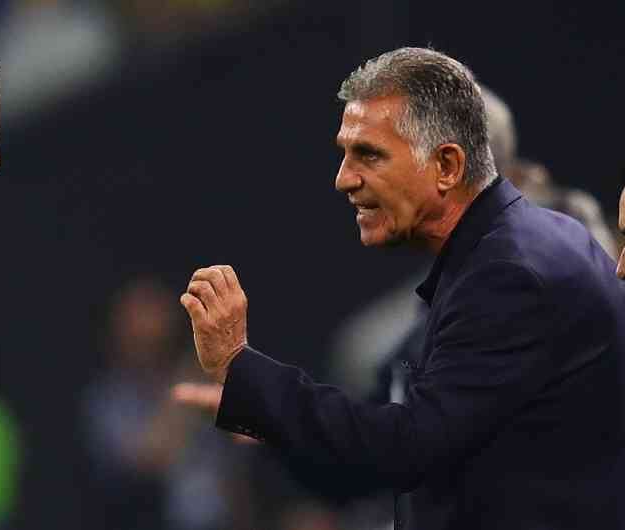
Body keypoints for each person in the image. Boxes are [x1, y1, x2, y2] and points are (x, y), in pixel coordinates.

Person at [175, 47, 625, 530]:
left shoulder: (510, 275)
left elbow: (408, 449)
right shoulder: (503, 254)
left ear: (447, 166)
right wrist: (262, 408)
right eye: (345, 153)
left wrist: (241, 368)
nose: (343, 179)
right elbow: (376, 448)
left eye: (369, 154)